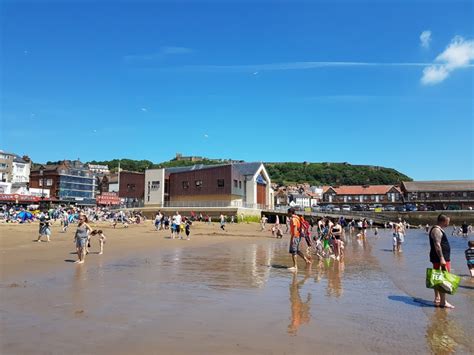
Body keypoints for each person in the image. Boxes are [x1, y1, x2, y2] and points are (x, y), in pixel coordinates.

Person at [429, 214, 454, 309]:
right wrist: (442, 258)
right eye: (448, 221)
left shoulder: (437, 229)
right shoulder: (437, 230)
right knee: (444, 279)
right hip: (441, 259)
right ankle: (443, 301)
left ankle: (437, 298)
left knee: (437, 278)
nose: (448, 223)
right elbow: (437, 245)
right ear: (443, 221)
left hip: (438, 258)